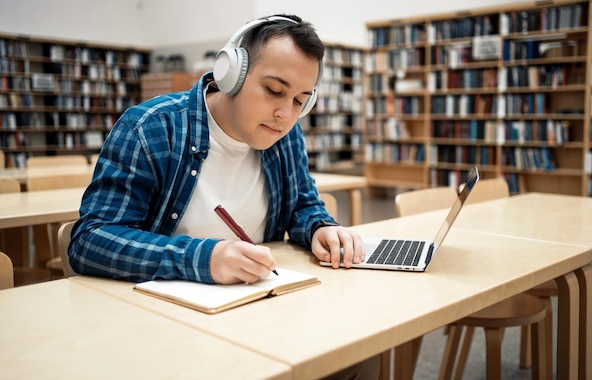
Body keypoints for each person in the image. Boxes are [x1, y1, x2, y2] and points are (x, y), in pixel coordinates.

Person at [69, 14, 379, 378]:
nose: (285, 114)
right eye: (275, 90)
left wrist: (319, 228)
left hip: (259, 316)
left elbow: (302, 205)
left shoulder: (286, 136)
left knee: (360, 352)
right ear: (230, 73)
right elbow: (89, 240)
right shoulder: (151, 127)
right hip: (162, 327)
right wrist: (204, 257)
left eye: (300, 100)